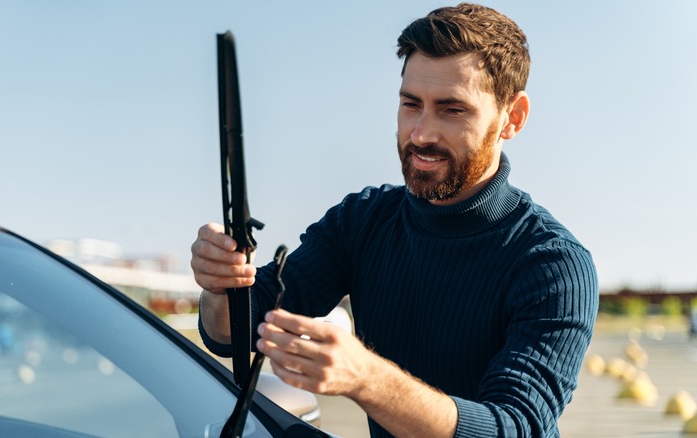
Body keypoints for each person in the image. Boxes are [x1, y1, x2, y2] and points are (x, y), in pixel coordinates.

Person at [191, 3, 598, 437]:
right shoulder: (362, 221)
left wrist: (368, 378)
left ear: (511, 118)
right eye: (410, 104)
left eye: (452, 109)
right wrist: (221, 285)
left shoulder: (554, 267)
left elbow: (517, 427)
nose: (421, 133)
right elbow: (235, 331)